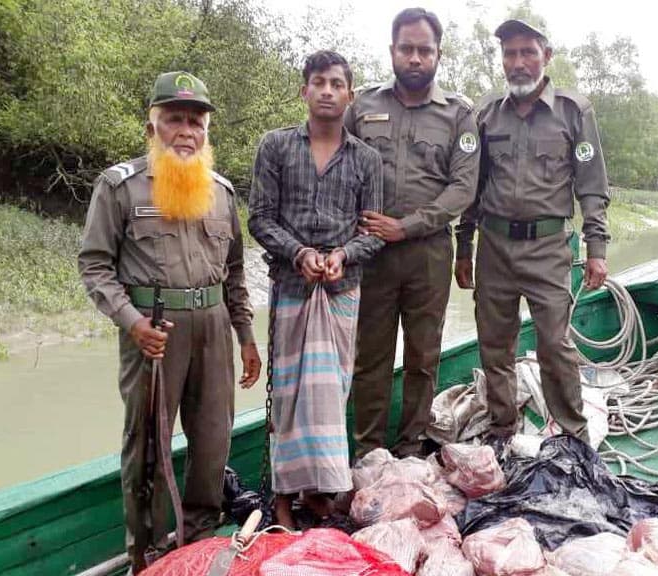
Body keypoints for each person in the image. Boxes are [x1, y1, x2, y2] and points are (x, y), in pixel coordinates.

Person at [78, 71, 261, 572]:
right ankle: (148, 555)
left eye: (195, 121)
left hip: (214, 329)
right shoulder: (119, 186)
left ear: (206, 130)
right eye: (174, 119)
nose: (186, 131)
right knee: (148, 449)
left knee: (212, 442)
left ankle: (200, 546)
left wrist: (246, 337)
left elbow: (237, 272)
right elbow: (94, 264)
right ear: (152, 127)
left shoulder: (221, 193)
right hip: (153, 333)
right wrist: (132, 321)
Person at [454, 20, 611, 445]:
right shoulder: (485, 114)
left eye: (528, 53)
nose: (518, 63)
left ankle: (572, 436)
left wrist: (596, 247)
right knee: (495, 344)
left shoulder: (574, 111)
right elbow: (471, 187)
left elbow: (592, 185)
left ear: (547, 56)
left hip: (548, 248)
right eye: (510, 54)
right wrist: (463, 247)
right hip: (494, 248)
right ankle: (503, 429)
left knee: (555, 347)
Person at [249, 50, 385, 528]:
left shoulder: (367, 159)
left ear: (350, 95)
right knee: (287, 394)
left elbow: (372, 232)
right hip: (291, 285)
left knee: (330, 394)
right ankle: (284, 498)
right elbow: (260, 219)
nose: (327, 91)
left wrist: (342, 254)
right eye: (318, 82)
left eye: (336, 84)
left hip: (342, 288)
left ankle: (318, 490)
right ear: (304, 90)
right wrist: (300, 253)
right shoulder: (276, 147)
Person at [345, 7, 481, 458]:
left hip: (428, 253)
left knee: (424, 356)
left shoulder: (458, 113)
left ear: (439, 54)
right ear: (392, 51)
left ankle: (412, 448)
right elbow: (336, 167)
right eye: (407, 49)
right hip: (371, 253)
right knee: (371, 358)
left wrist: (405, 227)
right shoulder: (362, 105)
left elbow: (463, 187)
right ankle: (367, 451)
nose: (416, 58)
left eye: (425, 50)